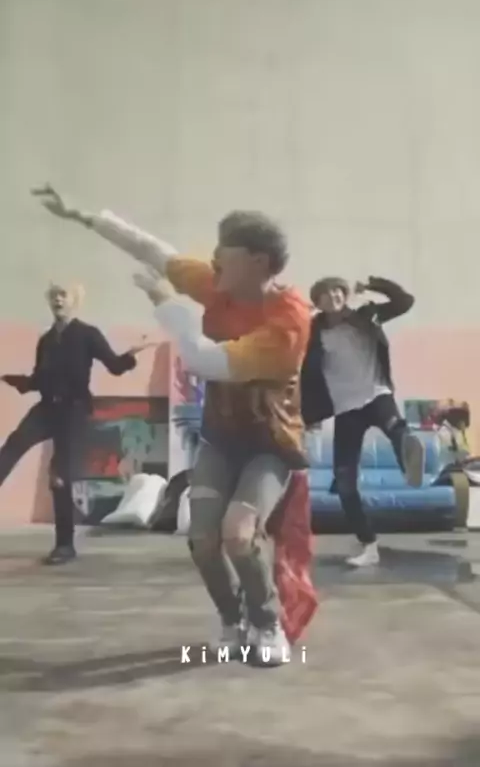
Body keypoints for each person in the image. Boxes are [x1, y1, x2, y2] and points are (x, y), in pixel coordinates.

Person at [36, 184, 312, 665]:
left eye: (224, 251)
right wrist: (84, 215)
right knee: (202, 540)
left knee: (239, 534)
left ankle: (267, 623)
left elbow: (207, 362)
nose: (213, 258)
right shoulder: (221, 284)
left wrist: (165, 303)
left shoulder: (288, 321)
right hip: (221, 437)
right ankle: (232, 620)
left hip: (270, 442)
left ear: (258, 262)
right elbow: (153, 250)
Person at [0, 281, 150, 565]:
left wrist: (131, 355)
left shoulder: (87, 334)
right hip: (47, 407)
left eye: (63, 295)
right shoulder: (46, 340)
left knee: (59, 476)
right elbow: (38, 378)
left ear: (74, 301)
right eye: (53, 295)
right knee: (11, 447)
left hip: (74, 410)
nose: (58, 300)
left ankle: (65, 545)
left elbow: (115, 366)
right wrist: (18, 381)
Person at [301, 275, 425, 568]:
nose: (334, 297)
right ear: (318, 302)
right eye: (326, 294)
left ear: (345, 295)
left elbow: (404, 302)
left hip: (376, 394)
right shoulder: (312, 330)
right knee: (345, 482)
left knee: (396, 428)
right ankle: (369, 545)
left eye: (338, 291)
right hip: (345, 408)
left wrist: (373, 284)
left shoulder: (367, 315)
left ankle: (410, 463)